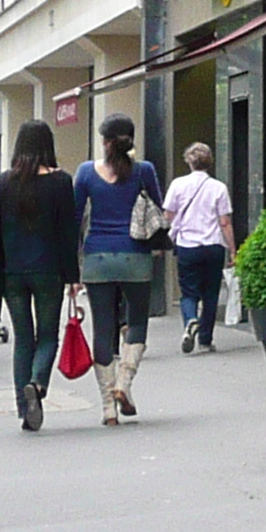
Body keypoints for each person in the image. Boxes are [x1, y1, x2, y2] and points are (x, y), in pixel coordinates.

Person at [0, 119, 80, 431]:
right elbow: (67, 233)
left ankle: (24, 407)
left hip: (12, 273)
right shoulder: (62, 182)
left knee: (23, 339)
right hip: (50, 271)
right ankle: (38, 383)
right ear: (49, 145)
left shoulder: (7, 182)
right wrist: (73, 277)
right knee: (47, 335)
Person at [74, 115, 167, 425]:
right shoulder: (144, 170)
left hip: (97, 259)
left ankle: (107, 408)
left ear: (105, 141)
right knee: (137, 322)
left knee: (103, 328)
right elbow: (157, 206)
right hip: (136, 256)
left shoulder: (86, 173)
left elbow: (75, 220)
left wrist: (71, 271)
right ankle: (124, 384)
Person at [164, 142, 235, 353]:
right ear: (209, 162)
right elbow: (225, 222)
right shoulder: (219, 187)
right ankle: (205, 338)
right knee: (211, 293)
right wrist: (232, 249)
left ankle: (190, 320)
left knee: (189, 292)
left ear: (189, 161)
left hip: (187, 245)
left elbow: (168, 215)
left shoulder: (178, 184)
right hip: (213, 246)